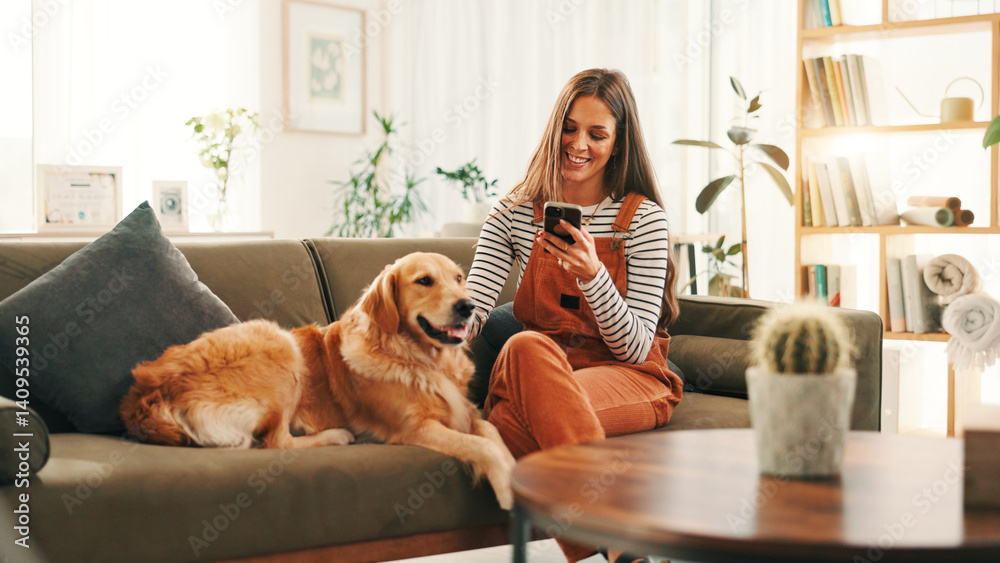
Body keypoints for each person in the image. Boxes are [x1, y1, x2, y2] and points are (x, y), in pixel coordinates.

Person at [464, 68, 683, 563]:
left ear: (618, 142)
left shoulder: (644, 219)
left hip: (628, 374)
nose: (578, 143)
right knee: (522, 344)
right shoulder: (513, 212)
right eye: (570, 126)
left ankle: (601, 550)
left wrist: (591, 275)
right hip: (541, 368)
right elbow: (474, 309)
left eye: (597, 133)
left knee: (505, 422)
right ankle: (624, 549)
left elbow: (632, 346)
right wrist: (432, 329)